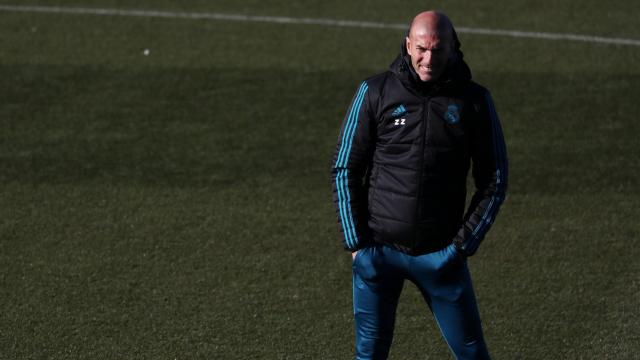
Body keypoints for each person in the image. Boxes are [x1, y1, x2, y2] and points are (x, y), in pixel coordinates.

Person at [330, 10, 508, 360]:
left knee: (473, 355)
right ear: (408, 45)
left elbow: (494, 178)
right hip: (379, 254)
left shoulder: (473, 101)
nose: (428, 59)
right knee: (369, 356)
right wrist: (357, 246)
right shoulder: (375, 91)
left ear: (453, 50)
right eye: (422, 49)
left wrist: (460, 248)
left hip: (441, 257)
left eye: (437, 51)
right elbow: (344, 168)